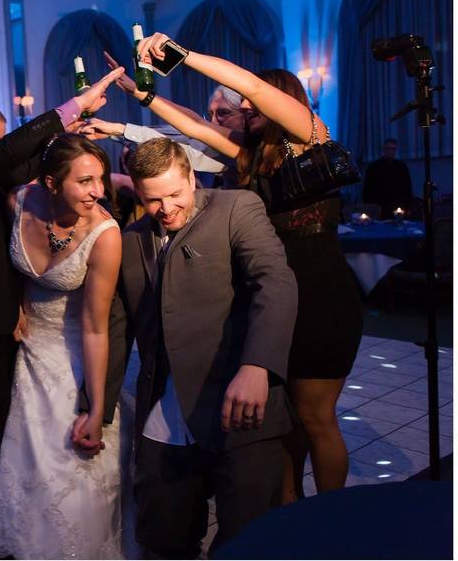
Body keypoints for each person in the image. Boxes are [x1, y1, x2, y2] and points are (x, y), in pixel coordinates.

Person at [128, 32, 364, 507]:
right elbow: (195, 128)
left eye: (254, 107)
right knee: (287, 420)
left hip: (322, 293)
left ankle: (332, 514)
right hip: (275, 299)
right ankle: (291, 512)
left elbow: (251, 88)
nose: (246, 113)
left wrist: (183, 55)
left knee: (317, 419)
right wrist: (144, 97)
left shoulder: (311, 134)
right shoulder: (253, 158)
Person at [0, 66, 123, 559]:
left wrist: (73, 139)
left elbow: (32, 169)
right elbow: (6, 159)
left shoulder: (3, 182)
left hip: (21, 331)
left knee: (13, 442)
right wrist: (67, 109)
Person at [115, 138, 297, 557]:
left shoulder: (236, 208)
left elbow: (276, 282)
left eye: (176, 194)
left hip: (239, 405)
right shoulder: (130, 239)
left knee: (249, 541)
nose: (166, 208)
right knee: (162, 538)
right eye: (153, 199)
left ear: (192, 177)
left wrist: (257, 367)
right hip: (164, 415)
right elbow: (114, 325)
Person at [0, 135, 123, 559]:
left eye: (100, 178)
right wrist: (18, 301)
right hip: (28, 352)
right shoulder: (20, 200)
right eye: (85, 181)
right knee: (25, 459)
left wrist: (97, 408)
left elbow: (97, 327)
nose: (98, 190)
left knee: (67, 466)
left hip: (74, 353)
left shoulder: (105, 234)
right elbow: (3, 263)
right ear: (49, 182)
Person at [362, 137, 414, 219]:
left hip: (397, 205)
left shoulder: (401, 167)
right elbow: (367, 188)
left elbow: (407, 188)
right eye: (388, 148)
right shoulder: (374, 167)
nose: (390, 151)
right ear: (384, 149)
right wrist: (368, 207)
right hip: (379, 205)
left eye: (393, 149)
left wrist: (408, 207)